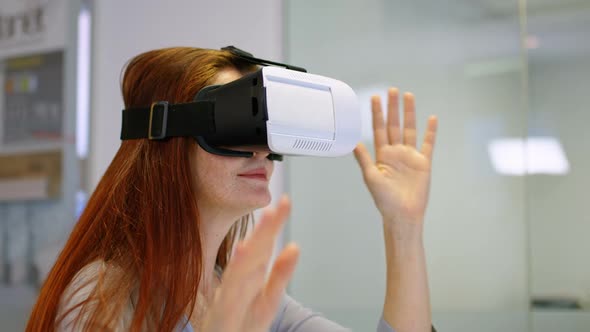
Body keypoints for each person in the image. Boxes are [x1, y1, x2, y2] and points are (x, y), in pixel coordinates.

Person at [26, 47, 438, 332]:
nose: (261, 149)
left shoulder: (250, 299)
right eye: (240, 123)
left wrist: (404, 227)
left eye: (266, 127)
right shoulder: (102, 293)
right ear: (168, 139)